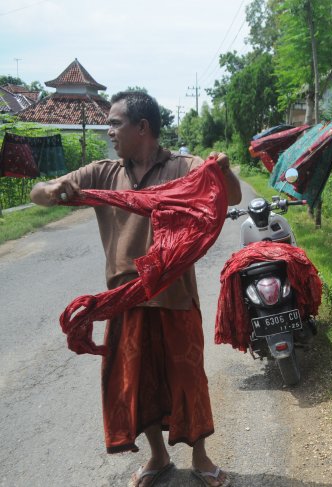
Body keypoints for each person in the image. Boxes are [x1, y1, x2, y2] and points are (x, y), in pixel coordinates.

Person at [30, 91, 241, 487]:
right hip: (126, 300)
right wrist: (56, 191)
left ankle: (201, 458)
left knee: (188, 380)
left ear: (142, 127)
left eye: (114, 123)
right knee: (135, 382)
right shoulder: (103, 173)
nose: (108, 131)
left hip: (176, 295)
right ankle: (158, 457)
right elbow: (38, 193)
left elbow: (229, 196)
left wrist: (224, 170)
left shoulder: (183, 167)